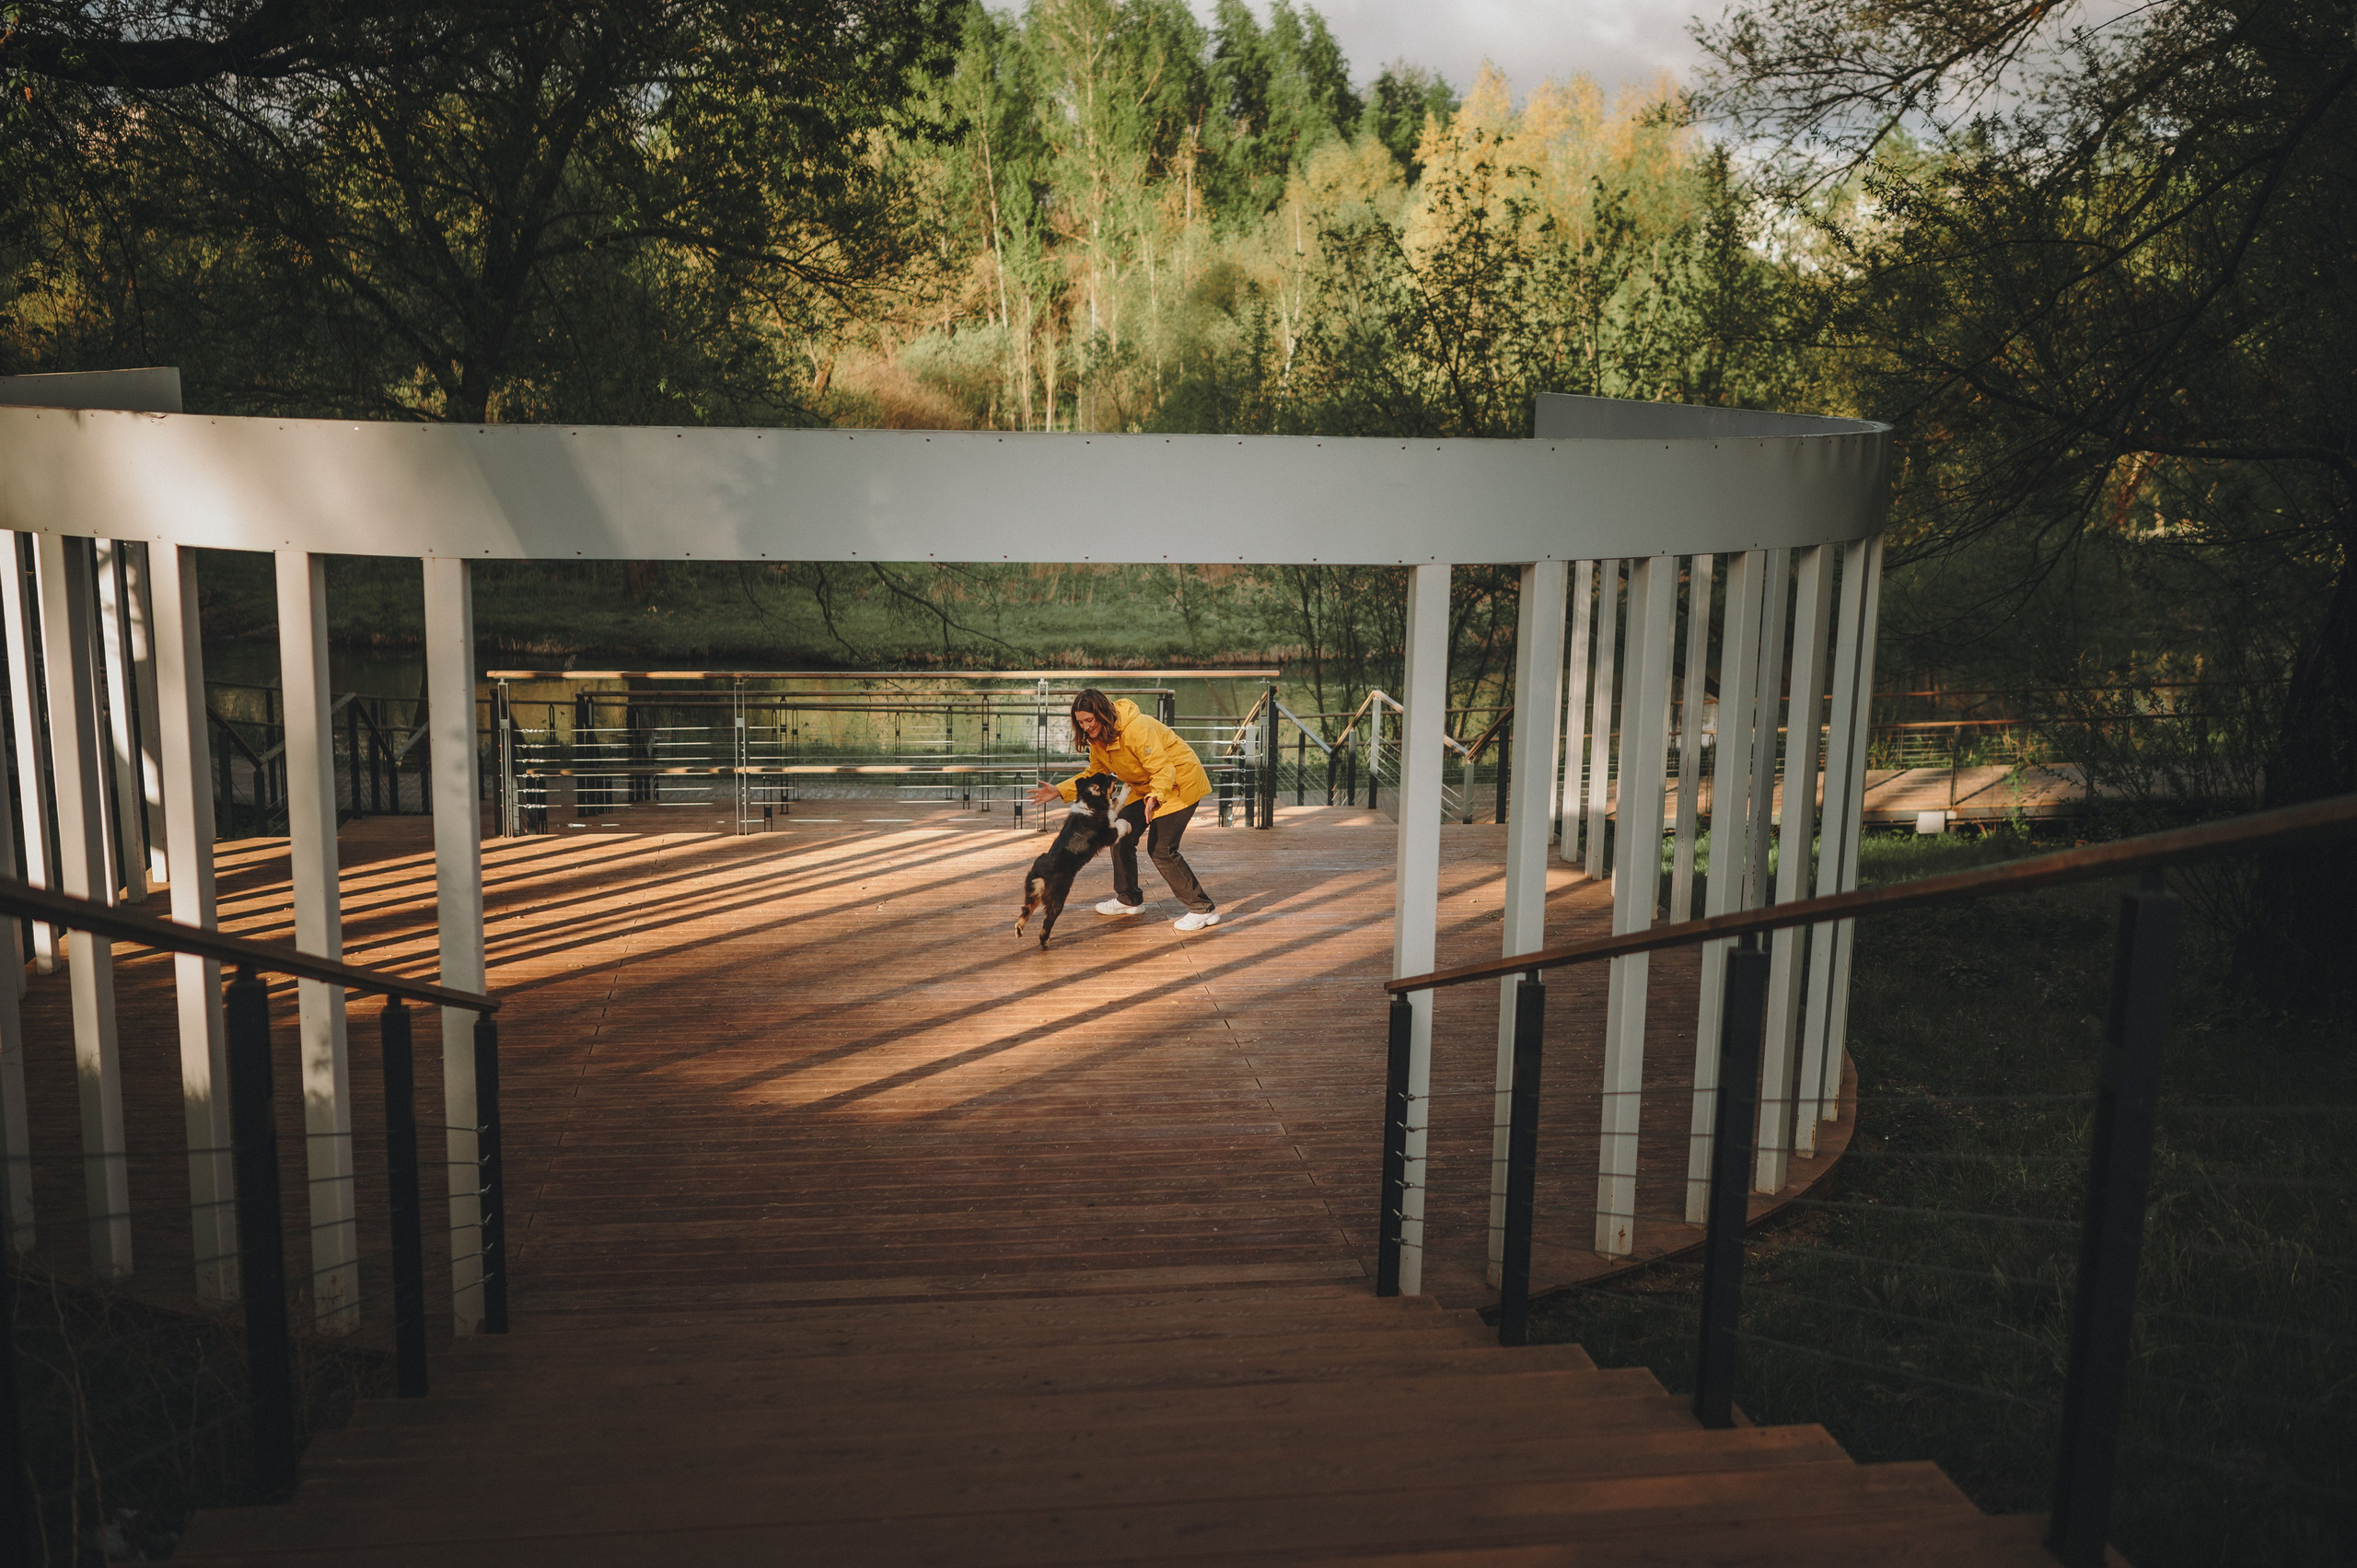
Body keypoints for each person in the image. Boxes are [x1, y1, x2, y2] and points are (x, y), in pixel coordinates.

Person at [1028, 688, 1220, 930]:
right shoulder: (1098, 739)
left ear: (1102, 713)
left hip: (1179, 784)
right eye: (1080, 722)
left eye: (1089, 720)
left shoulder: (1136, 729)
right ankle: (1129, 899)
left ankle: (1202, 909)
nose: (1085, 727)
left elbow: (1163, 769)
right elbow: (1094, 773)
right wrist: (1059, 790)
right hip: (1145, 786)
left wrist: (1155, 797)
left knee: (1161, 850)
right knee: (1117, 833)